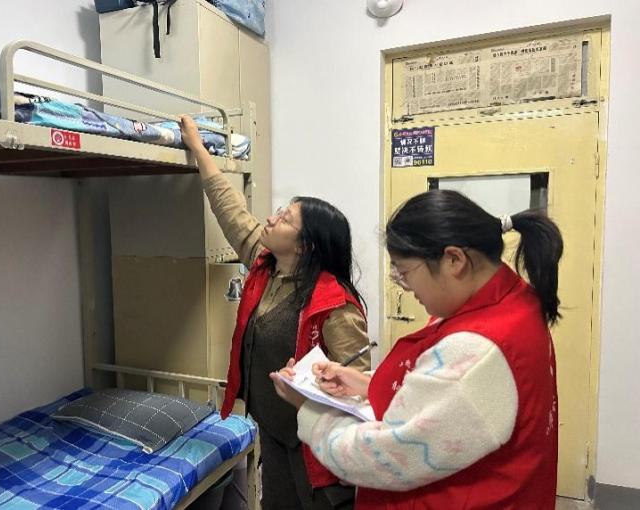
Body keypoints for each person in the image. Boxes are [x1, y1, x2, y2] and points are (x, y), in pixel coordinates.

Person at [271, 189, 563, 509]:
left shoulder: (477, 351)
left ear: (454, 260)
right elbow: (451, 403)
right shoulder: (514, 302)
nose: (406, 288)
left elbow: (384, 457)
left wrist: (308, 408)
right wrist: (365, 384)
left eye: (405, 272)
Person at [178, 116, 372, 510]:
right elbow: (229, 208)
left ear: (304, 246)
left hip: (315, 446)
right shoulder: (265, 267)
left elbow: (359, 392)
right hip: (276, 434)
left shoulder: (334, 304)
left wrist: (311, 386)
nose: (272, 217)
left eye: (285, 219)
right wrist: (198, 147)